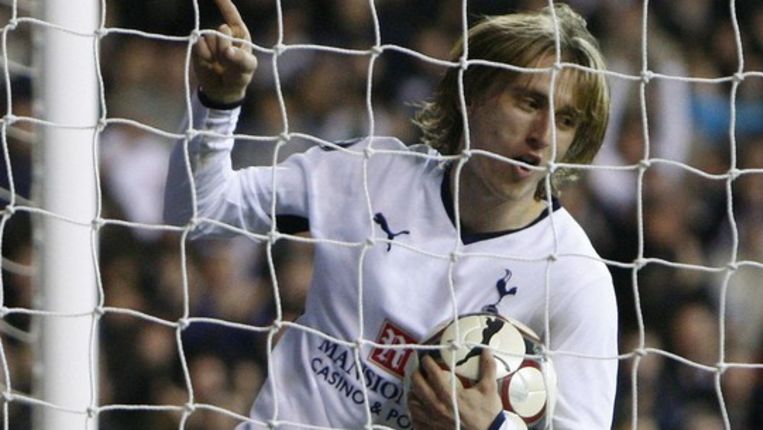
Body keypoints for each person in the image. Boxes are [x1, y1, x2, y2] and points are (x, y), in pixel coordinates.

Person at [164, 0, 618, 428]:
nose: (542, 135)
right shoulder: (368, 173)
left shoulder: (575, 278)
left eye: (565, 120)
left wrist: (493, 426)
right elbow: (200, 213)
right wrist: (218, 102)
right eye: (530, 102)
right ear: (473, 94)